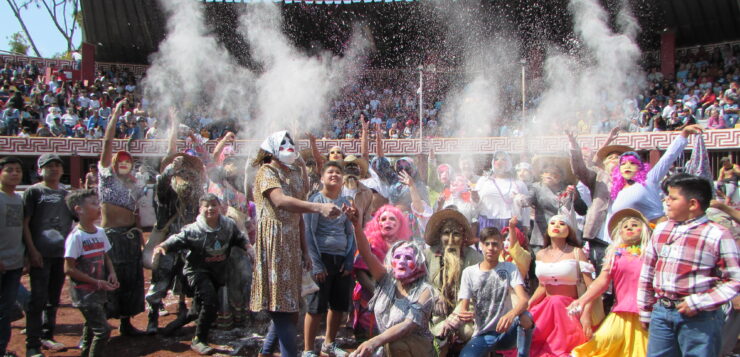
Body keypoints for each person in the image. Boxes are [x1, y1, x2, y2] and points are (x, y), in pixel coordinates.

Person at [251, 130, 341, 357]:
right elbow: (281, 201)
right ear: (272, 148)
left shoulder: (291, 173)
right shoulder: (266, 171)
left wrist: (305, 250)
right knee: (282, 308)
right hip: (275, 243)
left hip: (291, 243)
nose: (289, 146)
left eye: (290, 142)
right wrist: (319, 207)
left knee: (289, 307)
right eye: (284, 143)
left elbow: (299, 212)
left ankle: (265, 352)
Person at [637, 173, 740, 356]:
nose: (666, 201)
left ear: (693, 204)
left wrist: (700, 301)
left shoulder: (717, 234)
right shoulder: (662, 229)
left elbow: (735, 280)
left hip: (699, 317)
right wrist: (645, 308)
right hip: (662, 311)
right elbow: (648, 271)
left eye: (673, 198)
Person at [153, 194, 251, 355]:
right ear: (200, 209)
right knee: (210, 301)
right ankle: (199, 339)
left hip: (217, 272)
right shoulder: (194, 230)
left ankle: (170, 328)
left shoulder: (228, 225)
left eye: (214, 205)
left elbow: (239, 238)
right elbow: (177, 239)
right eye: (206, 206)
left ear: (220, 207)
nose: (210, 208)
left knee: (198, 309)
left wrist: (249, 248)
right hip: (197, 271)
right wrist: (162, 246)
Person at [347, 204, 437, 357]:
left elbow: (408, 325)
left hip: (415, 349)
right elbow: (366, 254)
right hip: (386, 346)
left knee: (396, 344)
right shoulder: (386, 279)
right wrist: (356, 225)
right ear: (390, 262)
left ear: (418, 265)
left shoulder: (425, 291)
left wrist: (374, 342)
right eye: (397, 257)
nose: (401, 262)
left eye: (408, 258)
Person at [568, 208, 652, 356]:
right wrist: (583, 300)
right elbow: (601, 282)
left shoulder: (650, 254)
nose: (629, 228)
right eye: (625, 226)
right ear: (620, 233)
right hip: (620, 313)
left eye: (634, 225)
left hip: (646, 313)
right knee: (602, 343)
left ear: (644, 230)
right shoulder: (616, 255)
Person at [98, 99, 145, 336]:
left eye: (129, 161)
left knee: (131, 279)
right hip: (110, 237)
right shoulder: (106, 177)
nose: (125, 164)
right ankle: (102, 325)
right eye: (121, 161)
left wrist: (140, 236)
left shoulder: (134, 186)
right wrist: (115, 116)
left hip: (130, 237)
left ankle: (126, 322)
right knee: (109, 277)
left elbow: (136, 213)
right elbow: (107, 144)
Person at [302, 162, 357, 357]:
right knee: (316, 306)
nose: (334, 175)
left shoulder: (347, 203)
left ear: (343, 179)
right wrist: (316, 263)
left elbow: (350, 233)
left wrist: (349, 259)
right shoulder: (315, 201)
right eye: (330, 172)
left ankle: (329, 345)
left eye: (338, 172)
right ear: (322, 178)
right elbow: (308, 233)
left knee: (338, 305)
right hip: (321, 258)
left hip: (341, 259)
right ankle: (308, 350)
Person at [22, 153, 74, 356]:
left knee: (53, 298)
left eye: (57, 166)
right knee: (38, 299)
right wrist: (31, 251)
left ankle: (47, 335)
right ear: (39, 170)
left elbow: (74, 221)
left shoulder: (66, 194)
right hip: (40, 254)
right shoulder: (33, 192)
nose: (54, 169)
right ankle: (32, 344)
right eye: (49, 166)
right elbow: (24, 223)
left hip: (60, 254)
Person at [457, 227, 532, 357]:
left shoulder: (509, 268)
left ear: (502, 247)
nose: (491, 248)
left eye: (495, 244)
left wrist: (511, 315)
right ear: (481, 246)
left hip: (508, 331)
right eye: (487, 244)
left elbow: (524, 300)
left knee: (526, 317)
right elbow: (464, 308)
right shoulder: (469, 273)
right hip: (483, 333)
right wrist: (465, 315)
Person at [609, 125, 703, 226]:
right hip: (628, 236)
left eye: (632, 163)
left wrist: (684, 134)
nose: (627, 167)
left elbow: (668, 158)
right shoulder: (617, 190)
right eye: (623, 164)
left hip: (654, 232)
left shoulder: (649, 180)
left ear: (640, 167)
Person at [529, 215, 595, 357]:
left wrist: (586, 314)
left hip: (570, 308)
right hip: (547, 309)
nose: (556, 226)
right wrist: (528, 304)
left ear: (569, 230)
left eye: (562, 223)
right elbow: (542, 286)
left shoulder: (576, 252)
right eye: (552, 223)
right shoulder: (540, 254)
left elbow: (592, 288)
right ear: (547, 229)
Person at [63, 190, 119, 357]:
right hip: (84, 293)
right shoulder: (76, 237)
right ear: (79, 209)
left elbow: (105, 255)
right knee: (103, 331)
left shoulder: (100, 232)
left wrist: (112, 273)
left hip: (98, 291)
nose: (98, 207)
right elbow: (69, 269)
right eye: (94, 203)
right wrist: (95, 281)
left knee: (91, 328)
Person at [423, 209, 481, 356]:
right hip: (435, 313)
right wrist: (436, 295)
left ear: (463, 237)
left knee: (469, 333)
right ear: (439, 236)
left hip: (465, 313)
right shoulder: (429, 254)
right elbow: (421, 283)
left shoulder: (474, 258)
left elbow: (475, 291)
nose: (450, 239)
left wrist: (456, 315)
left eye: (456, 234)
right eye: (446, 233)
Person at [566, 127, 624, 274]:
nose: (613, 160)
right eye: (610, 158)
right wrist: (573, 144)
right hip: (599, 234)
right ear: (604, 163)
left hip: (624, 235)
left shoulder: (634, 180)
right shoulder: (598, 177)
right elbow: (580, 169)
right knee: (599, 274)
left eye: (618, 157)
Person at [351, 205, 412, 341]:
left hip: (397, 300)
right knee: (369, 342)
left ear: (400, 224)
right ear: (377, 223)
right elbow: (360, 273)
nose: (387, 222)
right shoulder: (369, 243)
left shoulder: (405, 247)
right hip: (370, 299)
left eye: (392, 219)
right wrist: (380, 294)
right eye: (383, 219)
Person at [0, 157, 24, 357]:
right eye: (10, 170)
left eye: (18, 170)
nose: (15, 173)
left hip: (14, 262)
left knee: (5, 310)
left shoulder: (18, 199)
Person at [473, 151, 528, 233]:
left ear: (509, 162)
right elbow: (475, 204)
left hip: (511, 223)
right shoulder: (483, 181)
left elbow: (526, 208)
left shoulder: (518, 183)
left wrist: (526, 226)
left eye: (504, 159)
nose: (500, 162)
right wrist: (474, 199)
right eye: (497, 159)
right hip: (487, 222)